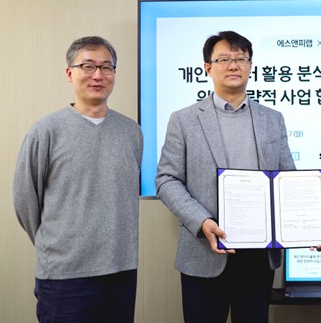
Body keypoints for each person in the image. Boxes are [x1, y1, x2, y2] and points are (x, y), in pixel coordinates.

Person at [155, 31, 297, 323]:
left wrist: (313, 224)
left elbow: (289, 182)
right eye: (224, 59)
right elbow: (167, 180)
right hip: (204, 252)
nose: (233, 65)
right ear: (208, 67)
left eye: (241, 59)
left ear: (250, 65)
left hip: (259, 257)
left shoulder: (273, 119)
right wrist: (202, 221)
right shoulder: (184, 120)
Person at [13, 36, 143, 323]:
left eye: (106, 67)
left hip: (121, 271)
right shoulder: (46, 131)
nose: (98, 75)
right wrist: (55, 244)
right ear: (70, 73)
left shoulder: (131, 131)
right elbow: (25, 199)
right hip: (65, 275)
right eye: (88, 66)